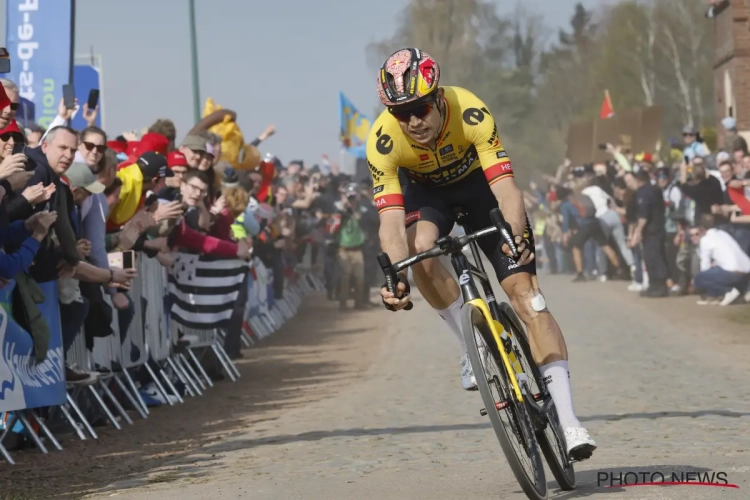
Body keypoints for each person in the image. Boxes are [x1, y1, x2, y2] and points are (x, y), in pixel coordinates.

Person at [367, 47, 595, 459]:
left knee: (529, 298)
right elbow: (390, 222)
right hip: (427, 194)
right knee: (420, 250)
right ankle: (468, 340)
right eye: (402, 113)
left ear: (437, 98)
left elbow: (506, 188)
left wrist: (515, 233)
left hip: (478, 188)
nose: (413, 121)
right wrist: (395, 277)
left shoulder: (469, 109)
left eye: (419, 108)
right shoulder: (383, 141)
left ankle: (569, 420)